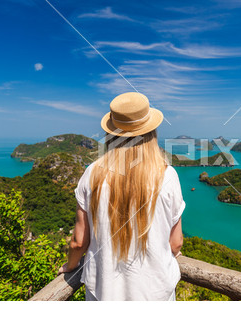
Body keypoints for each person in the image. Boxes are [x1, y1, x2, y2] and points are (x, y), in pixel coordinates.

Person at [58, 92, 185, 301]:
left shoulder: (92, 173)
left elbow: (79, 242)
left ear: (111, 134)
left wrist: (70, 266)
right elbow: (175, 243)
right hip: (155, 294)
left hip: (103, 293)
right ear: (151, 133)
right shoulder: (167, 175)